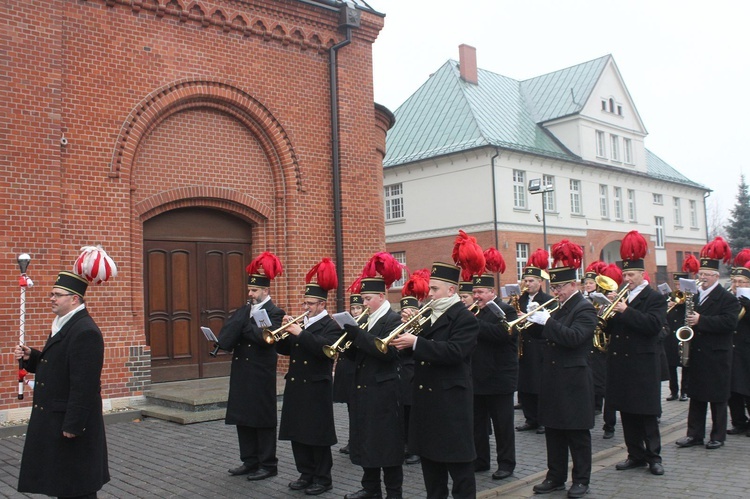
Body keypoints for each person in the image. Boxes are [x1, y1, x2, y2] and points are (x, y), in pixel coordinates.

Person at [16, 246, 116, 498]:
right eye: (51, 294)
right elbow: (60, 367)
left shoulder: (85, 332)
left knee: (77, 487)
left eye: (57, 295)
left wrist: (73, 424)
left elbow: (84, 385)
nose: (51, 298)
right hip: (56, 418)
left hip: (70, 423)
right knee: (65, 485)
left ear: (75, 299)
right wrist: (33, 357)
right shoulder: (65, 324)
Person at [391, 260, 479, 499]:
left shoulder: (465, 318)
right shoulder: (429, 314)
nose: (429, 293)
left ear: (451, 290)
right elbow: (415, 351)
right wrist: (407, 337)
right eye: (430, 289)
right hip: (427, 400)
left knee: (459, 466)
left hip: (451, 402)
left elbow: (455, 352)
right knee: (431, 467)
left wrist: (417, 342)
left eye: (434, 289)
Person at [528, 240, 596, 499]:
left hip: (574, 378)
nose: (556, 292)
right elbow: (545, 336)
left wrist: (547, 322)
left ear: (574, 285)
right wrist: (534, 321)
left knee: (577, 433)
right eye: (554, 287)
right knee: (554, 431)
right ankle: (555, 476)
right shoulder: (559, 308)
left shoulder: (585, 308)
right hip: (554, 378)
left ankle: (581, 480)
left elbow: (574, 338)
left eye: (560, 287)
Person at [603, 231, 666, 476]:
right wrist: (606, 314)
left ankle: (654, 456)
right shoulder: (622, 296)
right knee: (627, 412)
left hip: (642, 362)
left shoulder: (655, 298)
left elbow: (653, 326)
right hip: (621, 362)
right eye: (625, 275)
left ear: (642, 275)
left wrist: (625, 310)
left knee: (646, 413)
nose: (626, 278)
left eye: (631, 275)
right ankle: (634, 454)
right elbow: (612, 328)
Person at [277, 258, 341, 496]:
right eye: (304, 302)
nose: (306, 307)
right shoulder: (300, 323)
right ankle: (305, 473)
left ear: (322, 304)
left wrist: (300, 333)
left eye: (310, 303)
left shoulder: (331, 325)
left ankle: (323, 478)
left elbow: (324, 350)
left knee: (317, 434)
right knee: (298, 432)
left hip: (317, 386)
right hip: (296, 385)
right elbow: (285, 351)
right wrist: (282, 334)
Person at [341, 257, 405, 499]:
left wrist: (358, 336)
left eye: (367, 299)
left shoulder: (393, 320)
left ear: (381, 296)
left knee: (386, 444)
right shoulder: (366, 320)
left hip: (384, 391)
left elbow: (387, 353)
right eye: (363, 299)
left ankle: (394, 492)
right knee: (365, 440)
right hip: (363, 388)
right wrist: (347, 343)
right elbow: (359, 353)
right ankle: (370, 489)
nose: (364, 303)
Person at [219, 252, 285, 481]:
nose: (250, 294)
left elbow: (265, 338)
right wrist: (241, 322)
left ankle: (268, 464)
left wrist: (244, 325)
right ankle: (249, 460)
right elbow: (228, 336)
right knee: (243, 417)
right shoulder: (245, 310)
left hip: (260, 372)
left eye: (254, 291)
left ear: (265, 291)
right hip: (242, 372)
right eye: (250, 290)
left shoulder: (276, 313)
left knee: (262, 418)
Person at [675, 237, 739, 450]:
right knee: (697, 395)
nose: (702, 278)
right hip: (698, 352)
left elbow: (729, 323)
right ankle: (694, 434)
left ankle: (718, 436)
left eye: (706, 275)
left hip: (717, 354)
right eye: (700, 274)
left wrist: (702, 320)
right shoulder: (695, 295)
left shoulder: (727, 298)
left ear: (716, 276)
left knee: (718, 398)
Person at [471, 260, 519, 480]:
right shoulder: (477, 312)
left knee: (502, 426)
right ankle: (481, 460)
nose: (476, 296)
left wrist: (473, 323)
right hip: (478, 377)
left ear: (492, 292)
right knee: (478, 425)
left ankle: (506, 463)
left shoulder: (506, 310)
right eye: (474, 292)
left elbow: (502, 334)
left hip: (499, 379)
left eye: (480, 292)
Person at [397, 268, 432, 467]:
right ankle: (403, 444)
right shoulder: (397, 323)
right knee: (402, 412)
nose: (405, 315)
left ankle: (414, 448)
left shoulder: (423, 323)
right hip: (400, 374)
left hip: (414, 373)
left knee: (413, 414)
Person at [516, 248, 552, 435]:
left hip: (539, 346)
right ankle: (530, 419)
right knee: (525, 385)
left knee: (539, 386)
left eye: (531, 281)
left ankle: (543, 420)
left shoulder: (548, 300)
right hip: (524, 346)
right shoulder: (519, 299)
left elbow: (548, 324)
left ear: (540, 282)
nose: (527, 283)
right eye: (526, 280)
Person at [664, 256, 699, 402]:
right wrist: (669, 306)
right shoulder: (671, 297)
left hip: (684, 333)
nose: (678, 287)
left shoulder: (691, 297)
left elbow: (693, 311)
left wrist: (684, 302)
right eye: (676, 284)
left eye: (680, 285)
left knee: (685, 365)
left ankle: (685, 391)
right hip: (671, 335)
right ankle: (674, 391)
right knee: (671, 365)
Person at [332, 294, 362, 455]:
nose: (356, 311)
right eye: (353, 308)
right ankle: (352, 440)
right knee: (350, 408)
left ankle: (357, 441)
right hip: (344, 369)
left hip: (355, 369)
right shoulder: (345, 326)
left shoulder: (364, 324)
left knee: (357, 408)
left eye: (358, 308)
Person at [729, 251, 750, 436]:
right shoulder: (729, 299)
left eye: (741, 282)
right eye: (734, 281)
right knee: (733, 389)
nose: (736, 285)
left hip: (747, 349)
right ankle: (738, 422)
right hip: (731, 349)